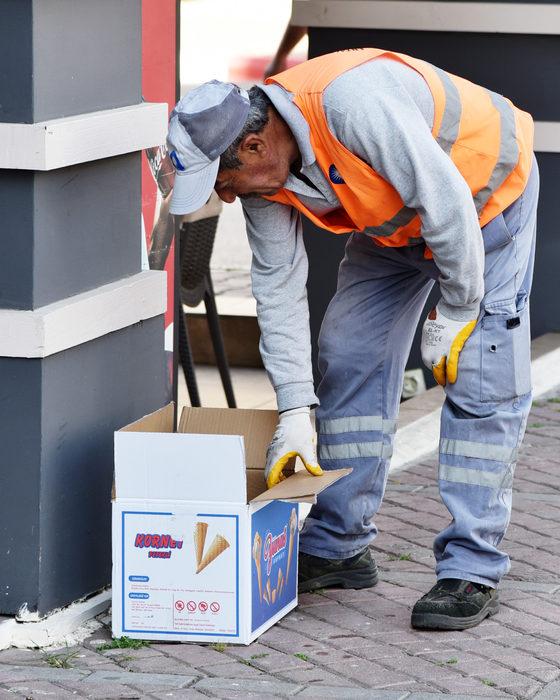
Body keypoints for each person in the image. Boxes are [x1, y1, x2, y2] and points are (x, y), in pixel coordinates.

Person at [166, 48, 538, 631]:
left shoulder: (353, 103)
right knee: (347, 351)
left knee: (480, 373)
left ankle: (472, 566)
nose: (229, 196)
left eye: (223, 180)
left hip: (485, 202)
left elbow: (446, 203)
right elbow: (278, 287)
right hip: (396, 227)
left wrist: (458, 311)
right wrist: (293, 408)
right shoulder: (266, 181)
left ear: (256, 147)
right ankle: (339, 544)